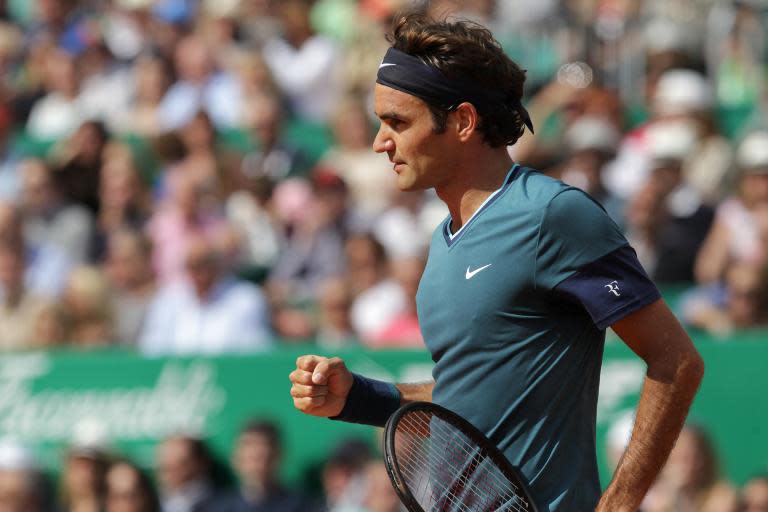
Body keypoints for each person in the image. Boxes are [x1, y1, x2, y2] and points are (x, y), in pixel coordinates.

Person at [289, 13, 704, 511]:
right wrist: (357, 398)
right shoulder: (443, 240)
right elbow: (470, 396)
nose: (381, 142)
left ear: (463, 121)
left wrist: (619, 502)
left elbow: (676, 360)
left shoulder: (551, 215)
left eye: (398, 121)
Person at [226, 419, 317, 512]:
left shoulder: (303, 505)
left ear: (279, 456)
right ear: (235, 459)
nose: (257, 464)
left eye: (264, 456)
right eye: (251, 457)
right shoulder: (219, 506)